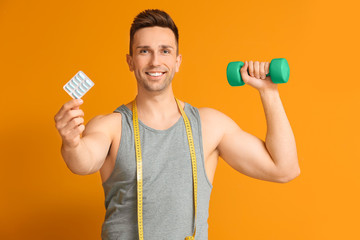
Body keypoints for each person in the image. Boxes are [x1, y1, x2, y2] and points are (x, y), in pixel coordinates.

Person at [54, 9, 300, 240]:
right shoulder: (112, 126)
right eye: (144, 51)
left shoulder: (209, 125)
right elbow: (82, 162)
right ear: (130, 61)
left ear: (177, 61)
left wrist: (269, 92)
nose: (154, 61)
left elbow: (284, 169)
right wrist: (72, 142)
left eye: (165, 51)